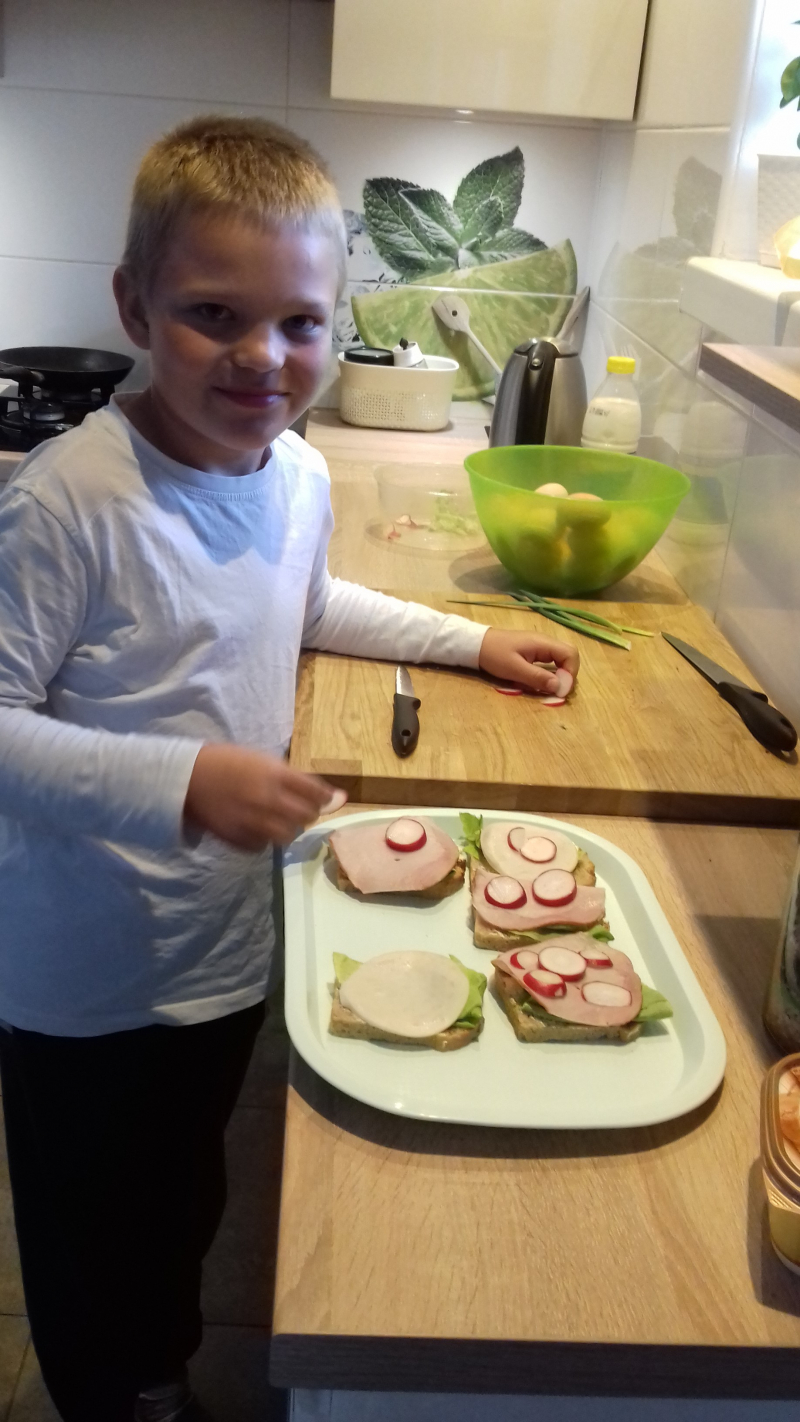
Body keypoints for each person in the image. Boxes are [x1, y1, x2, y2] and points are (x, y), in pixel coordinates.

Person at [0, 115, 578, 1422]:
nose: (262, 356)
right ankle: (112, 1394)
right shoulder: (68, 501)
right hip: (83, 971)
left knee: (180, 1189)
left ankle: (159, 1369)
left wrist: (472, 640)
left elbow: (308, 605)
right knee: (90, 1228)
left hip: (221, 947)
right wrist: (184, 779)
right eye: (215, 313)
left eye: (300, 322)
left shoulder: (297, 474)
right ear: (134, 308)